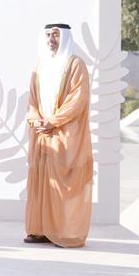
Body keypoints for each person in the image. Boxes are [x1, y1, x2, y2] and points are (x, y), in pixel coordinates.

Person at [24, 23, 93, 248]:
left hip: (65, 133)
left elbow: (78, 100)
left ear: (64, 37)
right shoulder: (40, 66)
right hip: (42, 134)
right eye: (48, 35)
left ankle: (65, 232)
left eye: (55, 35)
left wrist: (53, 121)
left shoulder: (75, 65)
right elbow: (32, 100)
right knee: (42, 182)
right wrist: (36, 119)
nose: (51, 39)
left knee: (65, 183)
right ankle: (40, 230)